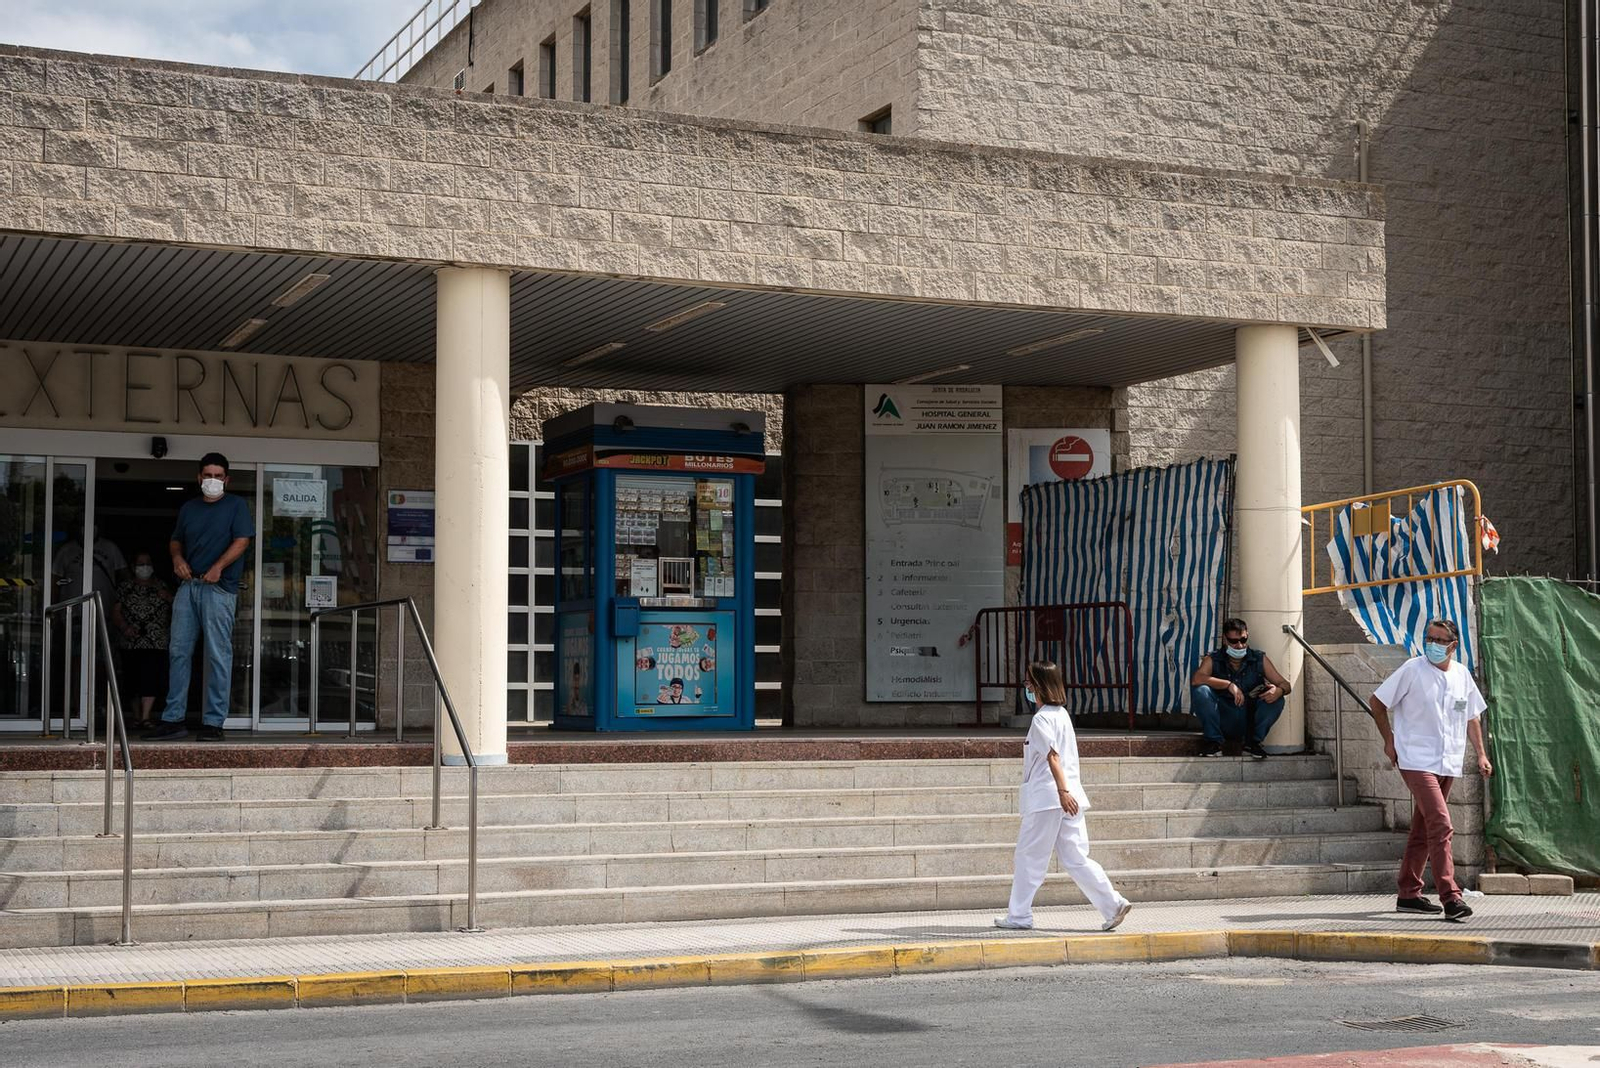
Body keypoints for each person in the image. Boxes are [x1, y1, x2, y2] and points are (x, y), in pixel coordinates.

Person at [1368, 618, 1491, 922]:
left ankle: (1409, 894)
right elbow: (1377, 702)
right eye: (1429, 638)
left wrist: (1481, 755)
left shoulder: (1462, 675)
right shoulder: (1413, 669)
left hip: (1448, 760)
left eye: (1439, 640)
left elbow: (1471, 717)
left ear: (1453, 645)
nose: (1432, 645)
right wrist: (1389, 740)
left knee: (1424, 828)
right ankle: (1451, 896)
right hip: (1415, 758)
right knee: (1441, 823)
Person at [995, 661, 1133, 933]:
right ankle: (1113, 904)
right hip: (1070, 798)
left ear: (1039, 686)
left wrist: (1061, 791)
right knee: (1076, 858)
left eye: (1028, 682)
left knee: (1029, 857)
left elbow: (1053, 756)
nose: (1026, 687)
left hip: (1049, 798)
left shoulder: (1041, 719)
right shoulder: (1062, 716)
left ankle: (1019, 915)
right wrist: (1066, 792)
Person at [145, 453, 253, 742]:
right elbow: (176, 540)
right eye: (208, 475)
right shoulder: (189, 508)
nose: (212, 481)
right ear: (199, 478)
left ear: (227, 480)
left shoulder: (236, 505)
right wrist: (177, 559)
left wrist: (219, 567)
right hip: (189, 585)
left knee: (218, 654)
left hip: (219, 588)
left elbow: (242, 541)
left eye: (218, 476)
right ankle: (173, 719)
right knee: (178, 651)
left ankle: (214, 722)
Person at [1189, 617, 1292, 759]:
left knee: (1277, 699)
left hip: (1248, 719)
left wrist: (1279, 691)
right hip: (1223, 716)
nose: (1239, 645)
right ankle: (1213, 742)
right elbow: (1197, 679)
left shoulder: (1258, 658)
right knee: (1201, 691)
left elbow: (1285, 684)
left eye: (1243, 640)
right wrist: (1228, 685)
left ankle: (1252, 744)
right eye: (1234, 641)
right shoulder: (1213, 659)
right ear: (1225, 640)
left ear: (1247, 635)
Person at [111, 552, 173, 728]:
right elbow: (115, 611)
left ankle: (146, 716)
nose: (144, 567)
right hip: (131, 641)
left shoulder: (162, 585)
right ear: (133, 567)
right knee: (131, 678)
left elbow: (177, 606)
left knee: (151, 677)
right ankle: (136, 716)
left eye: (148, 563)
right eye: (140, 564)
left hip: (156, 640)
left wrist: (168, 597)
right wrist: (125, 628)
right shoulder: (125, 587)